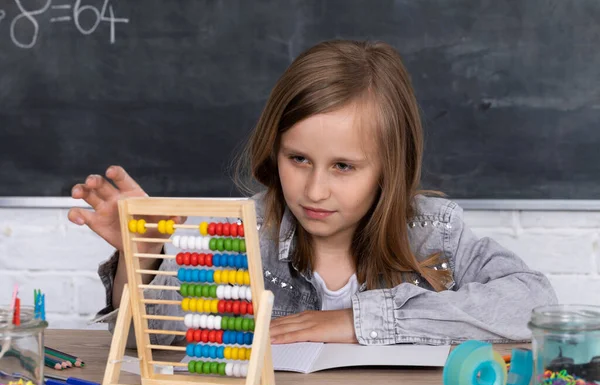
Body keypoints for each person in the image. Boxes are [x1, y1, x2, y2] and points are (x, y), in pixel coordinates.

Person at [68, 39, 557, 348]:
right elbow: (146, 341)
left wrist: (357, 321)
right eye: (297, 159)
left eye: (344, 166)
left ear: (390, 166)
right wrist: (144, 256)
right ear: (273, 149)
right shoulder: (241, 235)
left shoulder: (433, 233)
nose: (314, 190)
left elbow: (534, 305)